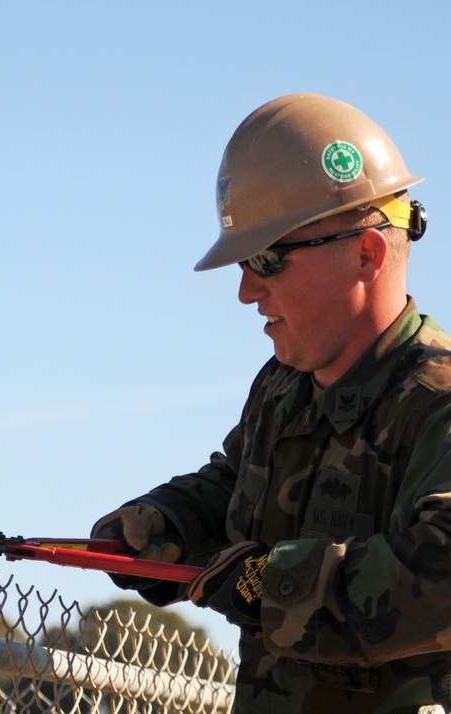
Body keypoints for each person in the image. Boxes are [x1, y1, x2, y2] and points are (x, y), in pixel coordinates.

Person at [91, 93, 451, 714]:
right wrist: (168, 525)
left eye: (267, 258)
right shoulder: (283, 387)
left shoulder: (436, 403)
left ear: (367, 252)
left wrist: (269, 582)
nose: (245, 291)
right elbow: (237, 488)